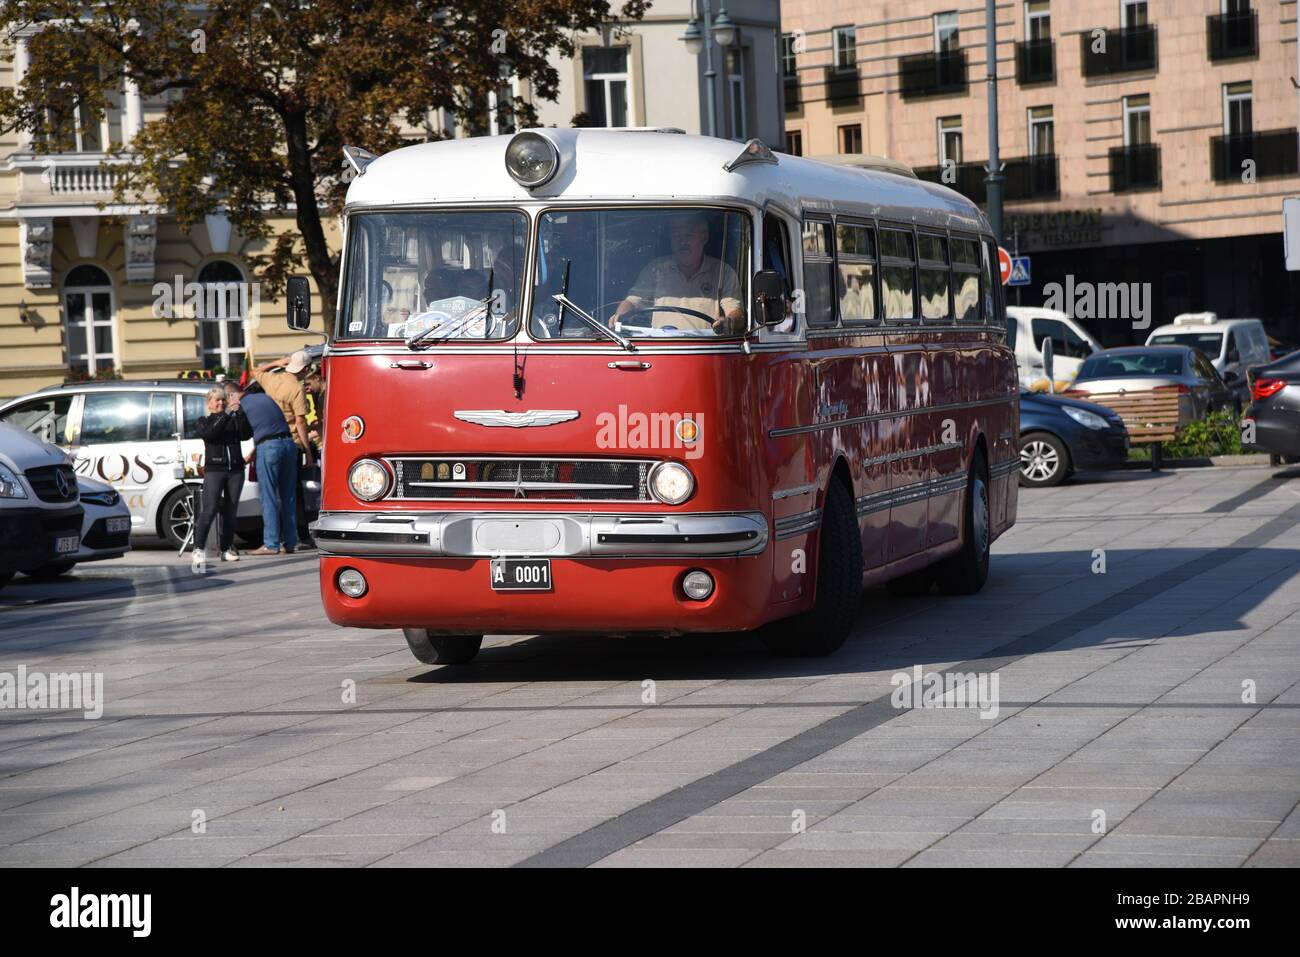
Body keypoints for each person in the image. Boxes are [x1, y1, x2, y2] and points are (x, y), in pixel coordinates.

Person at [609, 213, 746, 335]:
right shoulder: (656, 269)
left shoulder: (723, 271)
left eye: (689, 235)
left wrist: (728, 322)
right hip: (659, 350)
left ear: (704, 237)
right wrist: (620, 315)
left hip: (706, 351)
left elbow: (735, 311)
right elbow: (633, 301)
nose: (682, 242)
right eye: (676, 235)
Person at [191, 386, 252, 569]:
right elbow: (211, 434)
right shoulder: (203, 421)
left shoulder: (232, 419)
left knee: (231, 511)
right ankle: (198, 549)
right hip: (215, 470)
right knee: (209, 510)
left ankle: (226, 549)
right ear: (209, 404)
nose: (221, 403)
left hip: (235, 469)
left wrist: (240, 413)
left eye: (223, 400)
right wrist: (226, 414)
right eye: (217, 400)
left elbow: (246, 434)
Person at [239, 381, 300, 556]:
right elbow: (269, 428)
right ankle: (290, 542)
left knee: (269, 496)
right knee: (289, 496)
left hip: (269, 448)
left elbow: (244, 433)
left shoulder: (242, 404)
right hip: (288, 444)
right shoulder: (265, 398)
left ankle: (271, 544)